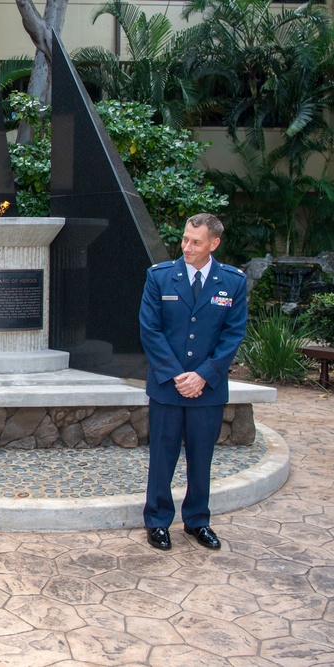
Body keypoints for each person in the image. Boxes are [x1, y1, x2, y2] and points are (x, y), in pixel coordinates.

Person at [139, 213, 247, 551]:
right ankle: (157, 521)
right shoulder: (159, 277)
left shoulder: (232, 282)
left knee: (202, 459)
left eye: (195, 242)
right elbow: (150, 329)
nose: (187, 247)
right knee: (162, 458)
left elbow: (233, 334)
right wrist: (176, 374)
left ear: (213, 243)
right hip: (168, 387)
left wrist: (203, 375)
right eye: (185, 239)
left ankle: (197, 521)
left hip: (207, 390)